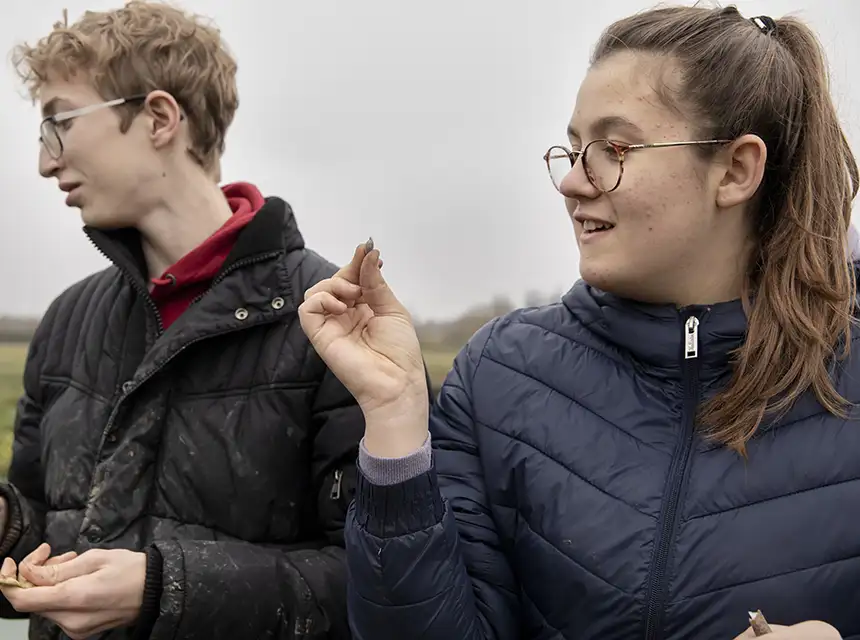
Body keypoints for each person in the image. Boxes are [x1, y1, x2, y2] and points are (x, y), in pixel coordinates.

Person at [299, 5, 859, 640]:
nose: (570, 181)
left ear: (735, 171)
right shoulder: (499, 377)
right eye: (572, 149)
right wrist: (397, 427)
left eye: (612, 149)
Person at [0, 2, 363, 639]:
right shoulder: (65, 323)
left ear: (159, 118)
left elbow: (380, 585)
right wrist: (5, 529)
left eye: (58, 123)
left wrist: (164, 591)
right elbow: (40, 531)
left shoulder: (332, 319)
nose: (44, 162)